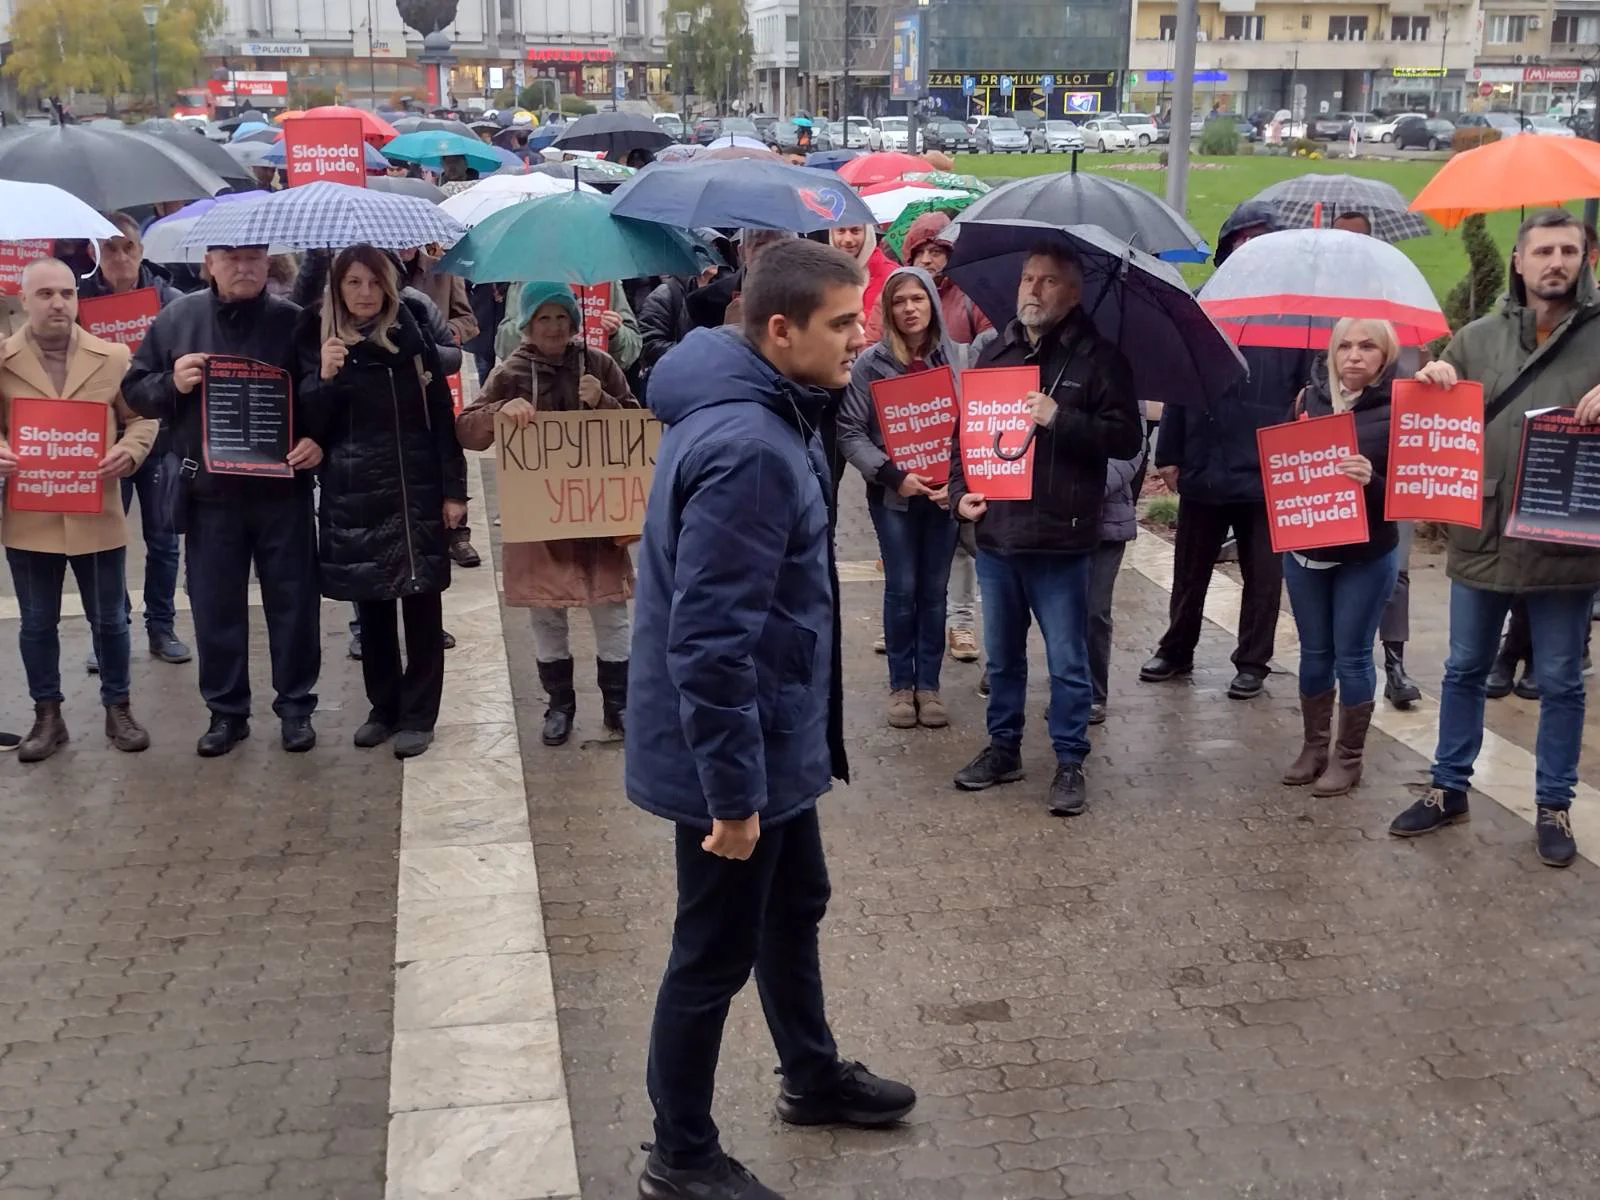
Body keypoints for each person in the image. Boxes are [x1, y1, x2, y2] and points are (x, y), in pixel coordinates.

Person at [626, 238, 914, 1200]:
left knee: (795, 909)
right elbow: (709, 644)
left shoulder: (773, 405)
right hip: (734, 761)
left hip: (775, 738)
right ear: (778, 329)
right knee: (711, 956)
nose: (860, 337)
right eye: (842, 324)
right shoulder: (751, 445)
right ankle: (682, 1155)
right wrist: (736, 799)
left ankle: (810, 1074)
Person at [1389, 209, 1600, 868]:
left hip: (1567, 537)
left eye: (1568, 250)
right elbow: (1434, 415)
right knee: (1462, 670)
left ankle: (1553, 803)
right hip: (1481, 532)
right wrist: (1435, 379)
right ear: (1519, 260)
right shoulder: (1477, 338)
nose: (1555, 262)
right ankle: (1449, 787)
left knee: (1562, 681)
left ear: (1585, 259)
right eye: (1543, 251)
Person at [947, 243, 1142, 815]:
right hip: (1000, 537)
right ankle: (1003, 749)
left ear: (1073, 293)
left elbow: (1127, 440)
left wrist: (1062, 420)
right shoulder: (995, 355)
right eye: (1028, 279)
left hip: (1062, 537)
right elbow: (967, 440)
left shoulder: (1100, 360)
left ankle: (1069, 760)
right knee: (1003, 658)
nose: (1033, 290)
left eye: (1048, 282)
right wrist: (960, 496)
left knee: (1067, 660)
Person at [123, 244, 324, 757]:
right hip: (210, 494)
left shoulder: (296, 321)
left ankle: (296, 708)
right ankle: (226, 713)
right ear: (208, 264)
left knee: (294, 603)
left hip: (283, 492)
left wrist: (316, 437)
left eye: (254, 257)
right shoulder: (178, 319)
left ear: (268, 264)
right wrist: (173, 382)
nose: (243, 267)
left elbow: (318, 394)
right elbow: (135, 391)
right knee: (215, 608)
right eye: (230, 258)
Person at [298, 246, 467, 759]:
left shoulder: (413, 335)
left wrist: (453, 490)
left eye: (374, 282)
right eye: (354, 283)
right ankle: (384, 708)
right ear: (338, 288)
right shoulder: (317, 337)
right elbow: (311, 431)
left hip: (413, 485)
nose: (365, 293)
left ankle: (419, 714)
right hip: (355, 492)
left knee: (420, 606)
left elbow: (442, 414)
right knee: (371, 608)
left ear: (389, 286)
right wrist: (322, 380)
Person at [1141, 202, 1313, 699]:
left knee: (1263, 576)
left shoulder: (1298, 315)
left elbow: (1312, 389)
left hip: (1267, 468)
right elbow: (1180, 381)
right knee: (1189, 569)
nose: (1248, 247)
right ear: (1226, 249)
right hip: (1205, 459)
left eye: (1259, 238)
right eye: (1240, 239)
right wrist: (1168, 451)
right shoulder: (1203, 304)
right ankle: (1177, 648)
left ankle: (1253, 661)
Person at [456, 282, 636, 746]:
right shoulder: (511, 371)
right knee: (547, 617)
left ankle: (619, 705)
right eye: (543, 318)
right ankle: (559, 705)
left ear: (575, 322)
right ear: (527, 324)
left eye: (561, 317)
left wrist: (605, 402)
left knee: (611, 614)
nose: (554, 327)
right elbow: (469, 432)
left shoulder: (600, 365)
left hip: (597, 519)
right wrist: (500, 409)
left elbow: (638, 427)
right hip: (540, 525)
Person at [0, 258, 156, 760]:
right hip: (30, 517)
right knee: (36, 623)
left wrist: (130, 450)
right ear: (23, 300)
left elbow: (142, 417)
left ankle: (119, 708)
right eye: (44, 294)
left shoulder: (111, 356)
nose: (58, 303)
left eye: (66, 293)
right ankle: (48, 716)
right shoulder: (2, 360)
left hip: (96, 512)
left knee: (110, 620)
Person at [1280, 318, 1401, 797]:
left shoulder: (1398, 410)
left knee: (1352, 656)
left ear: (1385, 356)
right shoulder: (1306, 400)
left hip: (1366, 554)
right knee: (1313, 654)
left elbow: (1409, 498)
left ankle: (1348, 758)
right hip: (1306, 551)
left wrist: (1370, 478)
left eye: (1367, 346)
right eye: (1344, 346)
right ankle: (1314, 746)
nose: (1354, 355)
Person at [839, 265, 961, 729]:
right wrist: (891, 474)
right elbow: (849, 431)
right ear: (887, 309)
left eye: (918, 299)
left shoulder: (953, 360)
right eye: (899, 301)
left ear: (932, 303)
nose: (910, 309)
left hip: (944, 495)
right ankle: (900, 686)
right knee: (903, 588)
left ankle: (928, 686)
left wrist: (959, 483)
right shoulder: (870, 364)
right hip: (893, 495)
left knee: (934, 592)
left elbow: (967, 426)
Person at [78, 212, 191, 672]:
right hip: (100, 438)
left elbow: (187, 363)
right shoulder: (79, 305)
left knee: (163, 539)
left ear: (142, 250)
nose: (120, 256)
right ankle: (112, 626)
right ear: (93, 253)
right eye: (110, 248)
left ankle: (161, 626)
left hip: (160, 435)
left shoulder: (169, 301)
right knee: (105, 539)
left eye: (128, 247)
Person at [1327, 207, 1422, 709]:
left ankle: (1395, 658)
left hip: (1386, 462)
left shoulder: (1399, 313)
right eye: (1339, 242)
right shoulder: (1317, 314)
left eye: (1358, 242)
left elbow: (1416, 390)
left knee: (1396, 562)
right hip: (1330, 484)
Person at [398, 245, 482, 569]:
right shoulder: (375, 272)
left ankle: (458, 534)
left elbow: (468, 320)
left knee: (447, 443)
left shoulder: (442, 270)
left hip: (438, 372)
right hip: (399, 377)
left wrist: (448, 331)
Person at [1088, 445, 1147, 726]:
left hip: (1105, 523)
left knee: (1094, 610)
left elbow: (1130, 450)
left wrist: (1080, 487)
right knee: (1059, 612)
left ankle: (1093, 693)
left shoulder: (1125, 400)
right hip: (1054, 522)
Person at [899, 210, 992, 344]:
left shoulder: (973, 297)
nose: (925, 260)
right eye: (919, 253)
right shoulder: (896, 296)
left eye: (935, 252)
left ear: (950, 255)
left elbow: (989, 346)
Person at [829, 224, 895, 338]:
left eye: (855, 231)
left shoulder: (890, 274)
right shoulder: (824, 275)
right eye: (840, 231)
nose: (848, 239)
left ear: (867, 233)